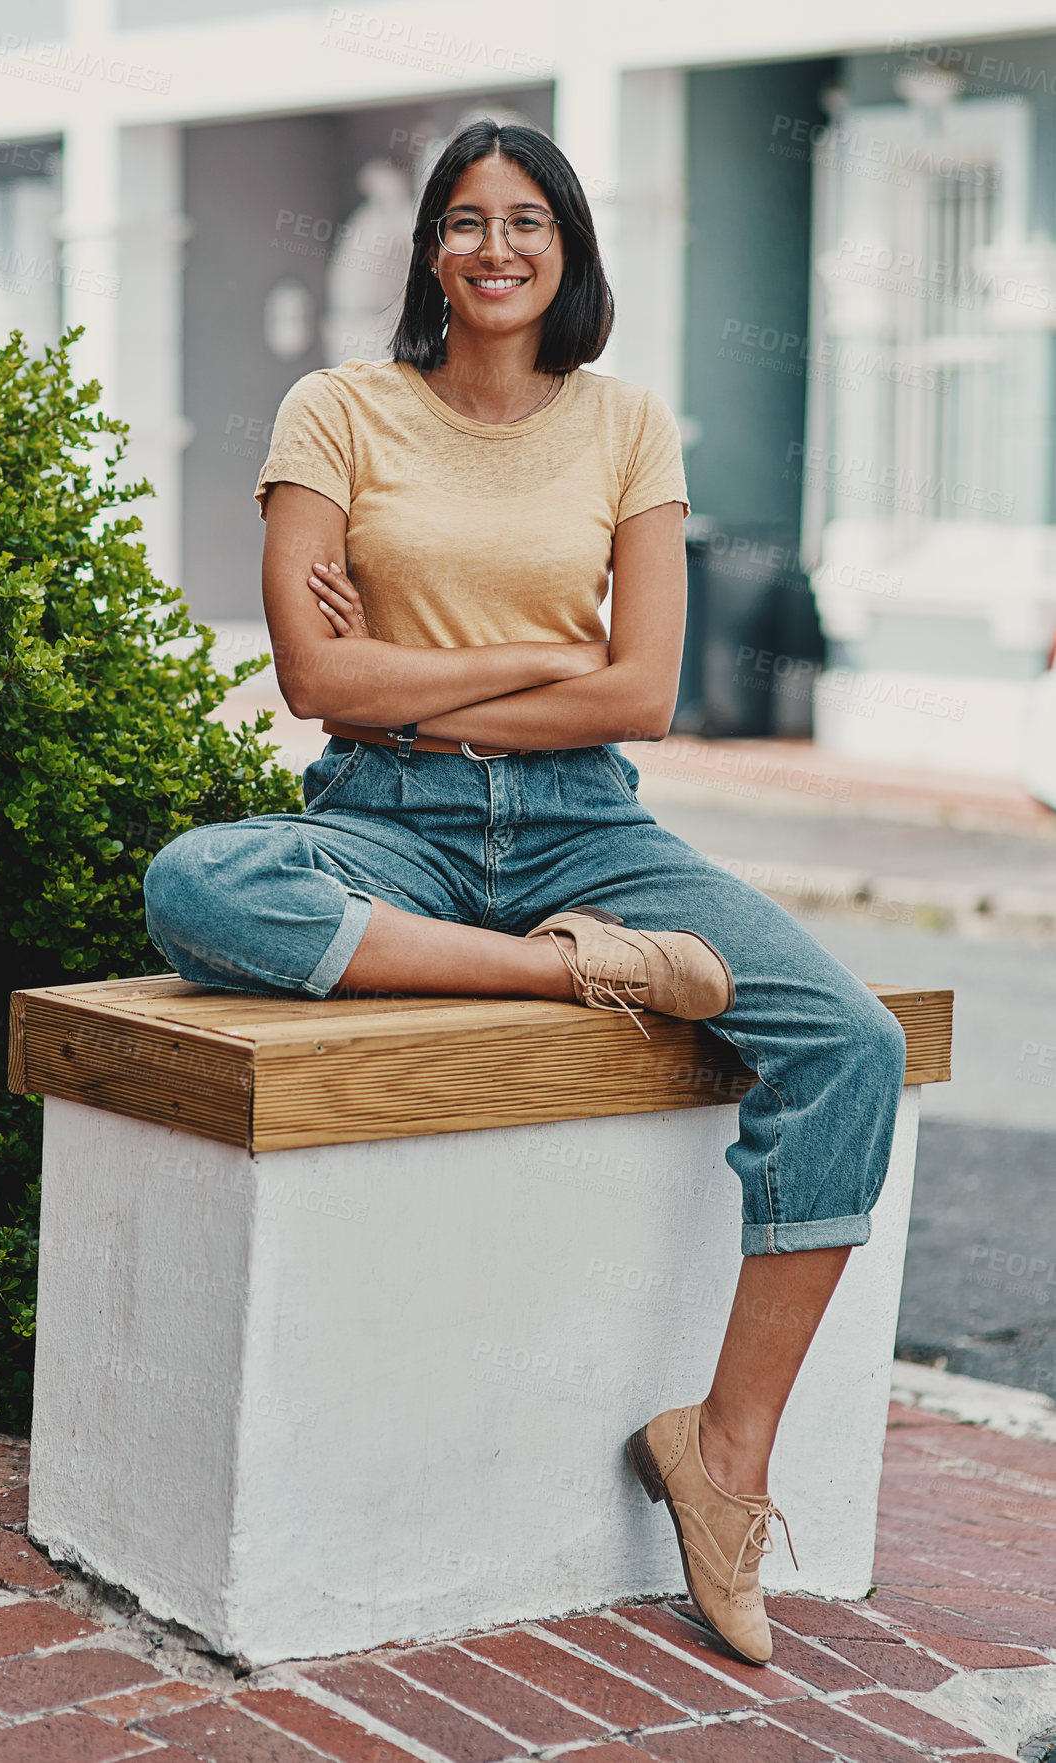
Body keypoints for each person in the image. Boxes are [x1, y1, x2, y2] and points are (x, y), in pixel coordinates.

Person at [143, 118, 908, 1667]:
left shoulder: (624, 425)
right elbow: (312, 680)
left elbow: (640, 698)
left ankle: (724, 1454)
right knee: (197, 884)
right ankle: (574, 973)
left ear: (567, 251)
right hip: (384, 819)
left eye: (528, 222)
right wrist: (535, 657)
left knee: (852, 1043)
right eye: (467, 221)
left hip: (584, 834)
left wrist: (415, 679)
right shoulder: (337, 410)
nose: (497, 249)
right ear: (430, 248)